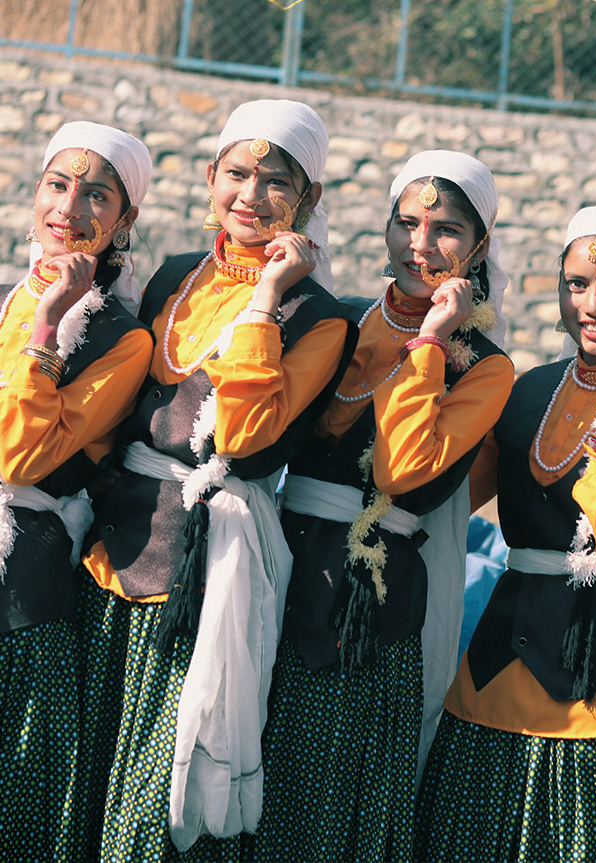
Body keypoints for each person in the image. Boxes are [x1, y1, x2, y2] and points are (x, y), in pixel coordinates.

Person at [76, 99, 356, 861]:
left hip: (202, 576)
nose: (251, 194)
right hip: (108, 555)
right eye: (237, 172)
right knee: (89, 773)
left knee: (159, 787)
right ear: (210, 176)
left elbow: (240, 434)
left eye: (276, 183)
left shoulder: (318, 317)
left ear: (309, 202)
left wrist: (265, 297)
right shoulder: (170, 276)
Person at [414, 205, 596, 862]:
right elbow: (442, 494)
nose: (593, 304)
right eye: (577, 284)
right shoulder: (527, 387)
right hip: (495, 672)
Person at [253, 150, 515, 863]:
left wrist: (430, 341)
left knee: (328, 797)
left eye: (446, 230)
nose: (420, 245)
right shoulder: (334, 319)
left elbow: (406, 472)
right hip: (273, 572)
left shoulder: (483, 365)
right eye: (406, 223)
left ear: (479, 246)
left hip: (365, 604)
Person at [0, 121, 154, 863]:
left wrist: (45, 327)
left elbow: (23, 454)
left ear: (124, 221)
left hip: (24, 593)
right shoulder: (7, 294)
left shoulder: (122, 339)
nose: (71, 207)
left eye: (98, 195)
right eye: (58, 185)